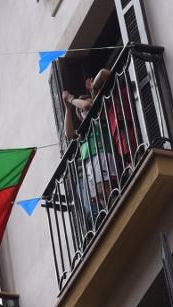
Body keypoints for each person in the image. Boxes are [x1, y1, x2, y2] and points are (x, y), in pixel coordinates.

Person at [61, 68, 119, 221]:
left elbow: (87, 106)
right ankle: (109, 213)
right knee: (99, 193)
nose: (82, 111)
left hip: (101, 155)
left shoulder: (98, 115)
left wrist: (72, 99)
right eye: (79, 113)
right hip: (90, 163)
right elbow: (69, 134)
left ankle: (114, 210)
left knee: (105, 188)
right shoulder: (84, 130)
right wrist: (68, 109)